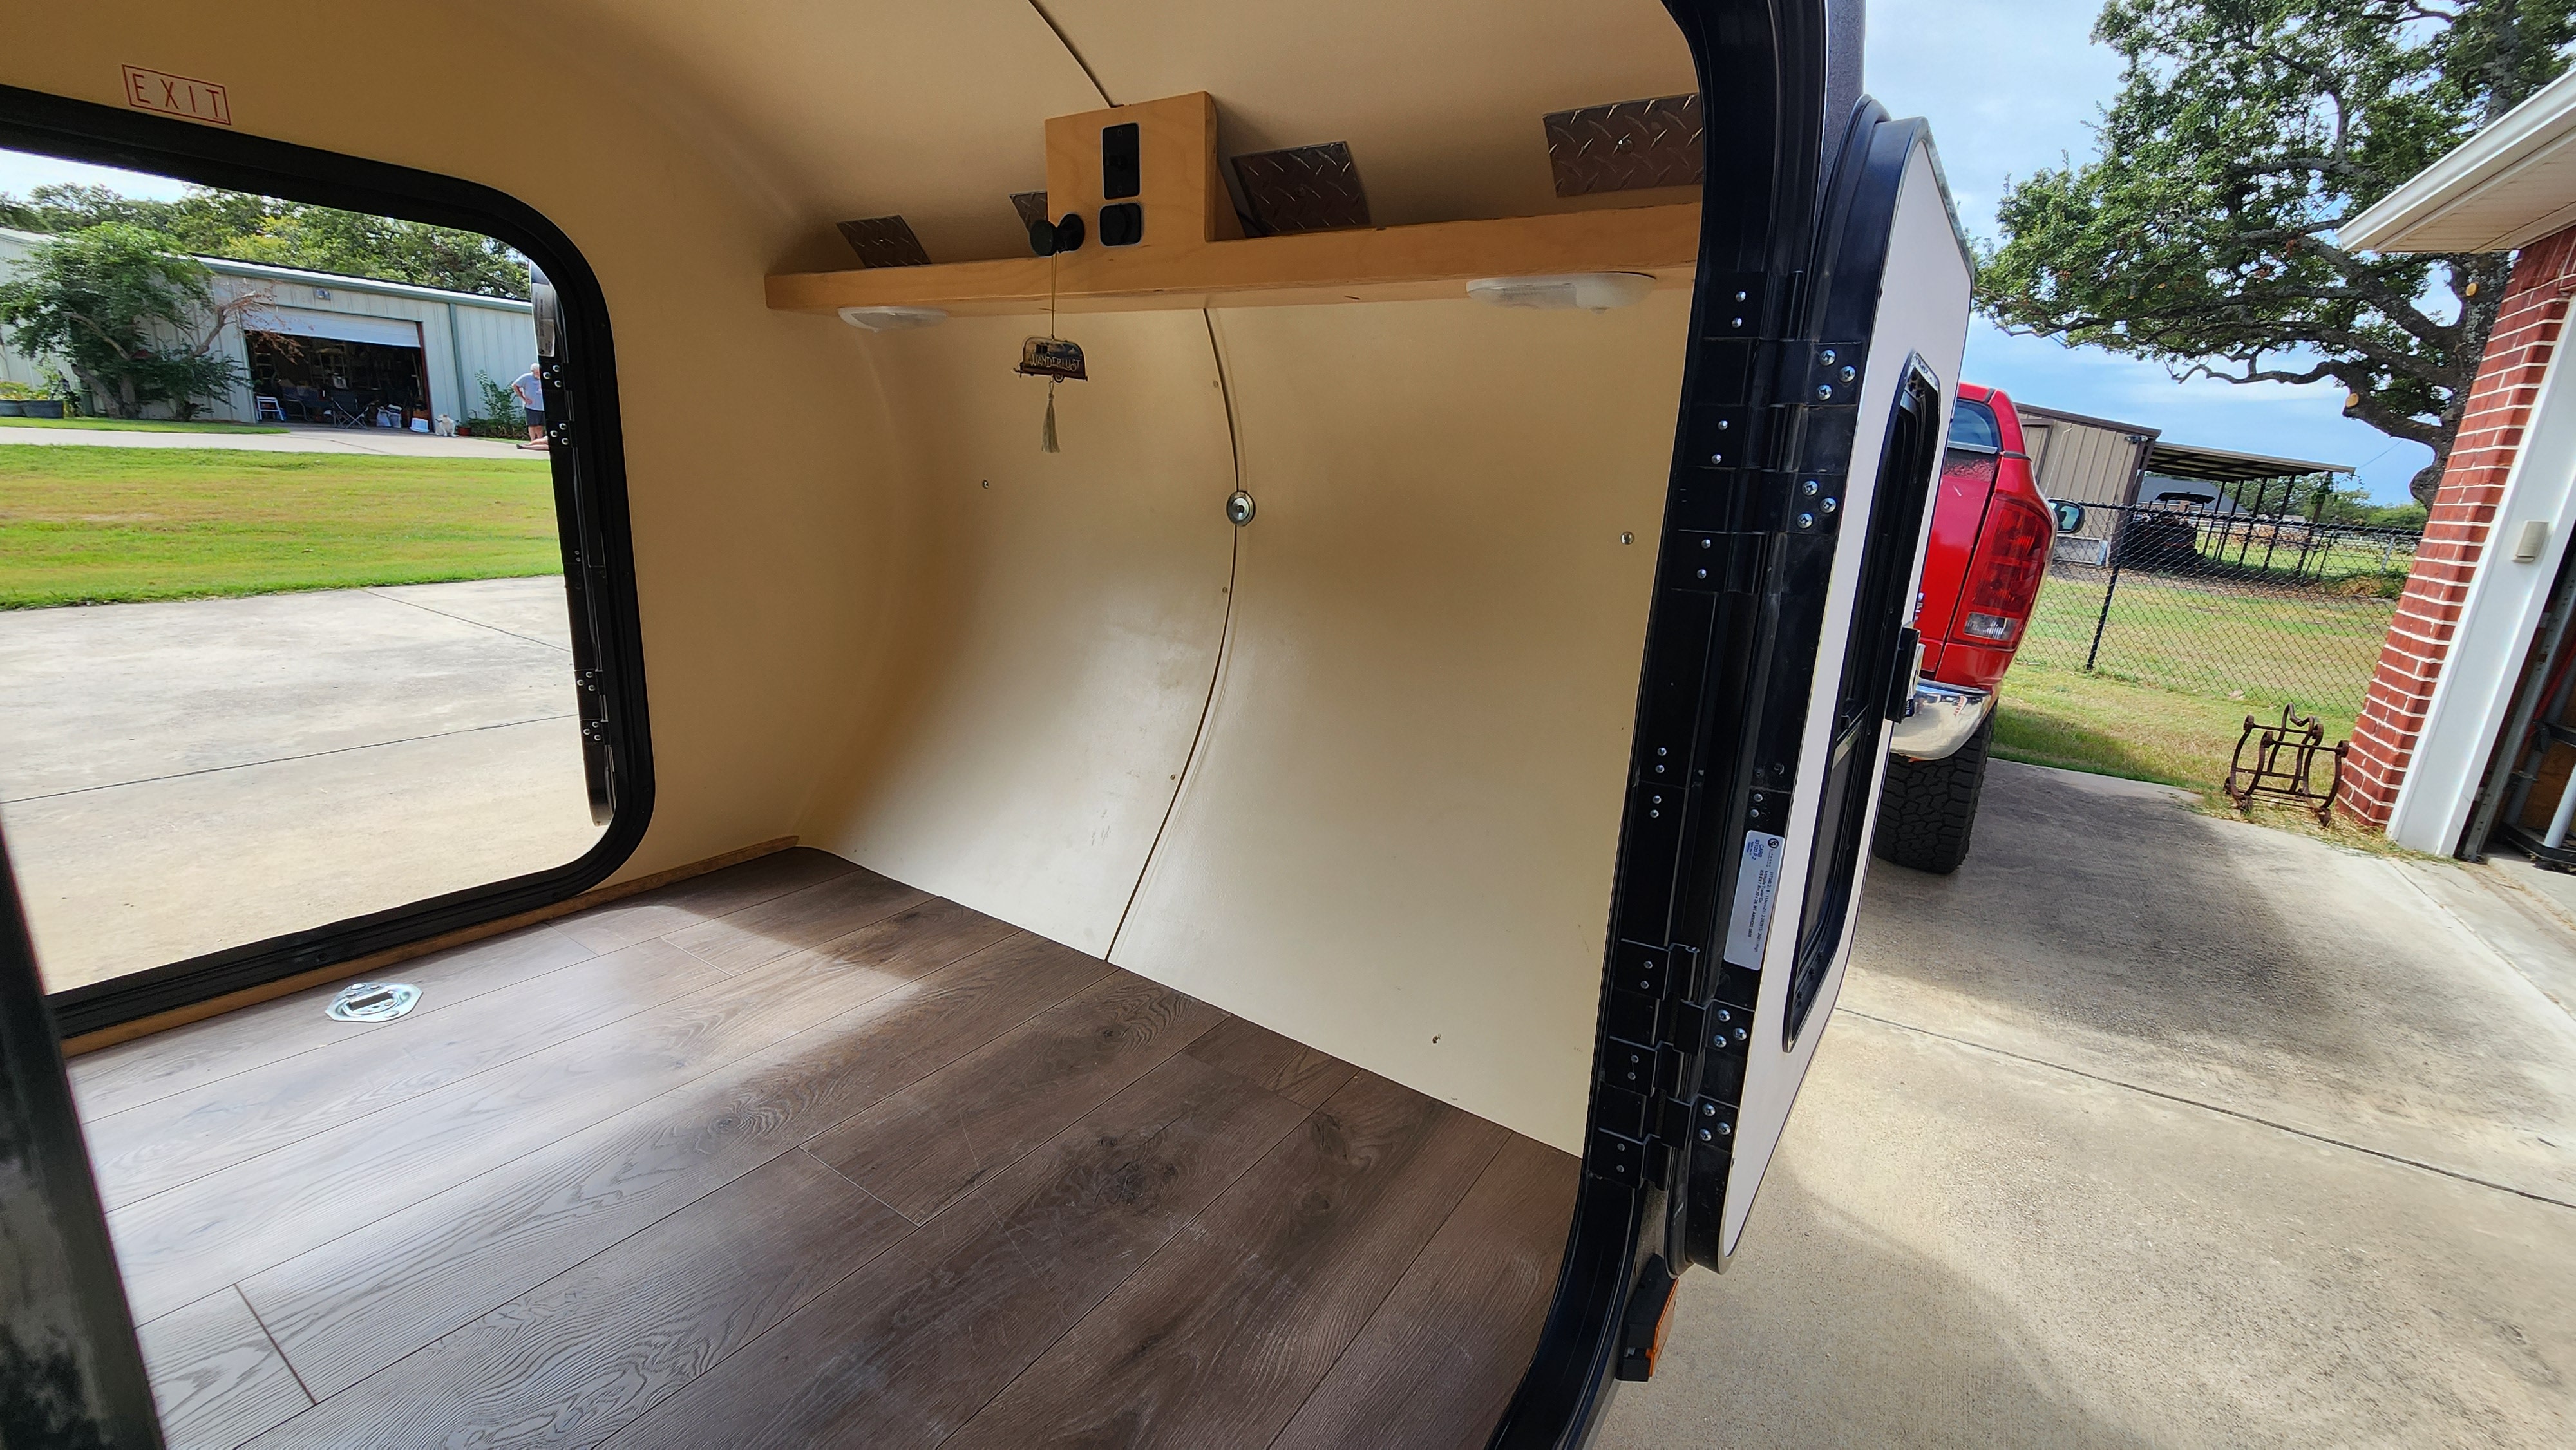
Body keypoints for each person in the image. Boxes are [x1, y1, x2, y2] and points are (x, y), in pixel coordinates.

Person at [511, 362, 547, 449]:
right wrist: (523, 398)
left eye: (539, 372)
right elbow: (515, 385)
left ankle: (540, 441)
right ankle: (532, 441)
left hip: (542, 406)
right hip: (531, 406)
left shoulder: (544, 377)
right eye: (537, 372)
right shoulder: (526, 377)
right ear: (533, 371)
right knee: (532, 425)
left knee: (540, 425)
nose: (538, 374)